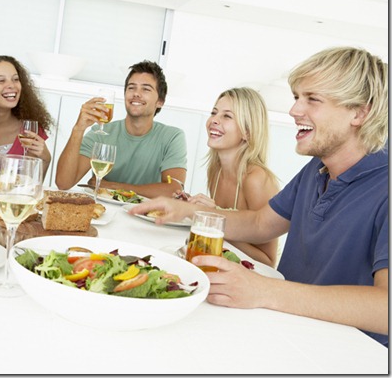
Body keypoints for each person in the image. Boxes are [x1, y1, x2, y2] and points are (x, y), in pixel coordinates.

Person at [130, 47, 388, 345]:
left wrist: (263, 290)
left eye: (312, 99)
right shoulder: (317, 169)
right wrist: (187, 212)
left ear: (360, 112)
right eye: (296, 97)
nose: (294, 110)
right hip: (286, 330)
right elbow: (259, 223)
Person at [55, 60, 187, 199]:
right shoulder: (100, 133)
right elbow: (63, 183)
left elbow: (174, 190)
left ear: (160, 101)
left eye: (146, 89)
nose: (136, 93)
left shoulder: (172, 137)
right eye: (131, 88)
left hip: (144, 217)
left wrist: (114, 187)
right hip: (103, 212)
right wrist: (78, 129)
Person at [181, 87, 279, 267]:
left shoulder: (256, 179)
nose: (213, 121)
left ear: (247, 132)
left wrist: (214, 222)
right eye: (214, 112)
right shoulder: (215, 170)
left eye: (227, 116)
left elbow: (268, 262)